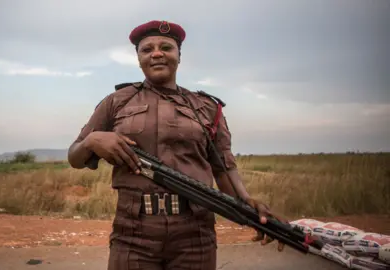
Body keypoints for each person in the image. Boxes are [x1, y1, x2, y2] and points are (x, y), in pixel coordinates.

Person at [67, 20, 286, 270]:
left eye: (166, 47)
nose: (156, 53)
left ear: (179, 56)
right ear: (138, 59)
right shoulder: (116, 102)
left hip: (195, 234)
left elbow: (223, 167)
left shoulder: (206, 107)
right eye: (147, 49)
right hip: (132, 233)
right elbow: (74, 156)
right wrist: (94, 140)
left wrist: (249, 205)